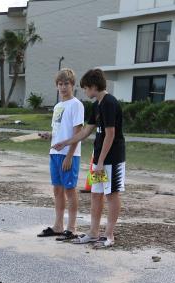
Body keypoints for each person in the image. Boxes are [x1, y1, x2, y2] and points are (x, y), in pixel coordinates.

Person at [54, 68, 125, 249]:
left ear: (93, 87)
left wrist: (101, 162)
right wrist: (65, 142)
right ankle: (93, 232)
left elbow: (110, 135)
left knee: (111, 194)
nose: (85, 91)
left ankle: (109, 235)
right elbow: (86, 131)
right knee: (96, 194)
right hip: (98, 159)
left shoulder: (109, 103)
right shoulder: (97, 105)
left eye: (86, 88)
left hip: (112, 159)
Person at [37, 68, 85, 240]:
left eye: (66, 84)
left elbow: (77, 133)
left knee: (69, 190)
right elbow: (59, 130)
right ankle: (58, 226)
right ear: (56, 86)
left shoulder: (76, 105)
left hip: (68, 154)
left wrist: (70, 156)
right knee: (57, 190)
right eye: (60, 84)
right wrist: (49, 136)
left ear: (72, 85)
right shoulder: (58, 106)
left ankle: (71, 228)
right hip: (54, 153)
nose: (63, 87)